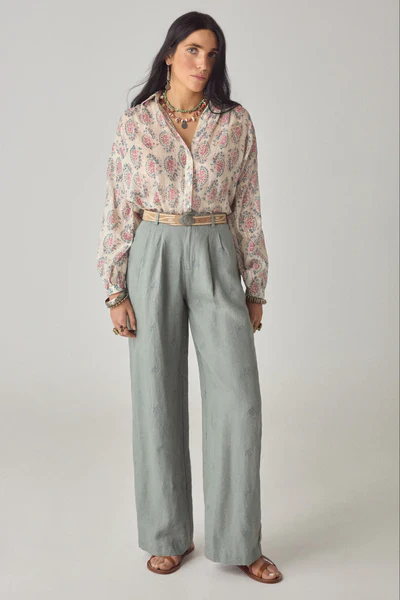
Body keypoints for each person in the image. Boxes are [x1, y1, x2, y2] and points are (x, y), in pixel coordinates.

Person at [96, 10, 283, 585]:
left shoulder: (235, 122)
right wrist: (114, 287)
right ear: (170, 54)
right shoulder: (136, 123)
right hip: (151, 250)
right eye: (193, 50)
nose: (203, 62)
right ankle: (166, 536)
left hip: (216, 248)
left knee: (239, 401)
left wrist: (256, 283)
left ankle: (239, 539)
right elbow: (118, 205)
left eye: (212, 53)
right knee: (155, 394)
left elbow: (248, 206)